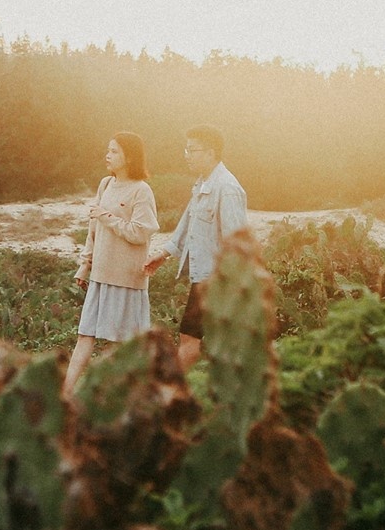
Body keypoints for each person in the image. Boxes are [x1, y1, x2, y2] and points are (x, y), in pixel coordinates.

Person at [146, 124, 249, 372]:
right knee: (202, 341)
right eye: (186, 150)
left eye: (192, 150)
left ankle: (169, 392)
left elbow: (237, 242)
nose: (187, 155)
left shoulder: (227, 188)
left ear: (211, 152)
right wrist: (164, 253)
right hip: (206, 277)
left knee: (190, 340)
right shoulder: (204, 183)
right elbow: (188, 223)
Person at [64, 132, 160, 396]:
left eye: (114, 151)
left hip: (126, 278)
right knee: (85, 335)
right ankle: (64, 395)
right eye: (108, 150)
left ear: (129, 157)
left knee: (118, 344)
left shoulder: (141, 190)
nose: (108, 156)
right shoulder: (105, 184)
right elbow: (93, 230)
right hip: (100, 274)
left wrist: (107, 216)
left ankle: (120, 399)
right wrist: (85, 264)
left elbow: (140, 232)